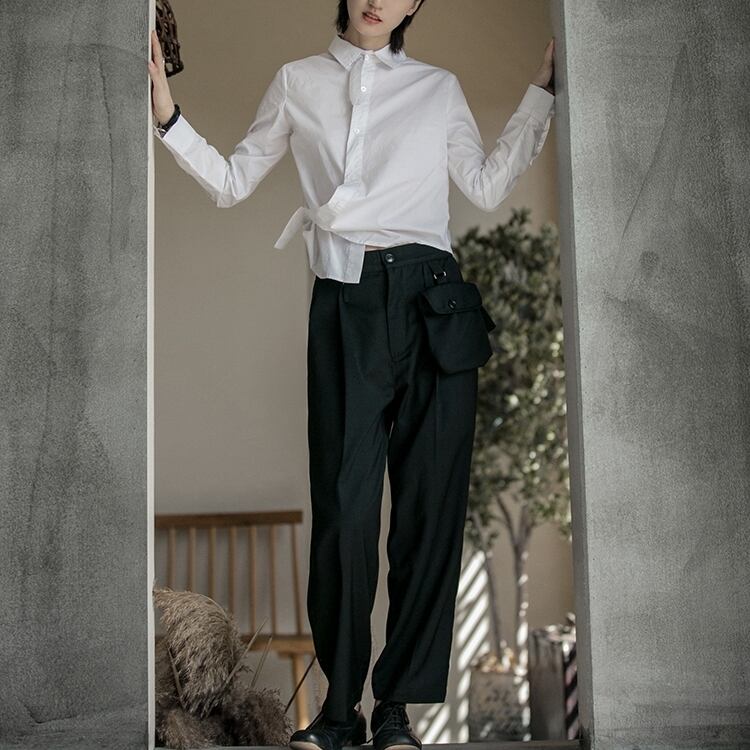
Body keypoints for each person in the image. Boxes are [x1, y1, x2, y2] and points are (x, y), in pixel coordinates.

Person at [149, 3, 555, 749]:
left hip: (435, 301)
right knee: (344, 512)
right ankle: (340, 713)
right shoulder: (297, 81)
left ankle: (396, 711)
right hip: (345, 301)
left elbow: (486, 184)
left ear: (414, 4)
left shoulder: (437, 87)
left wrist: (541, 93)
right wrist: (168, 116)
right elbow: (234, 181)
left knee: (429, 511)